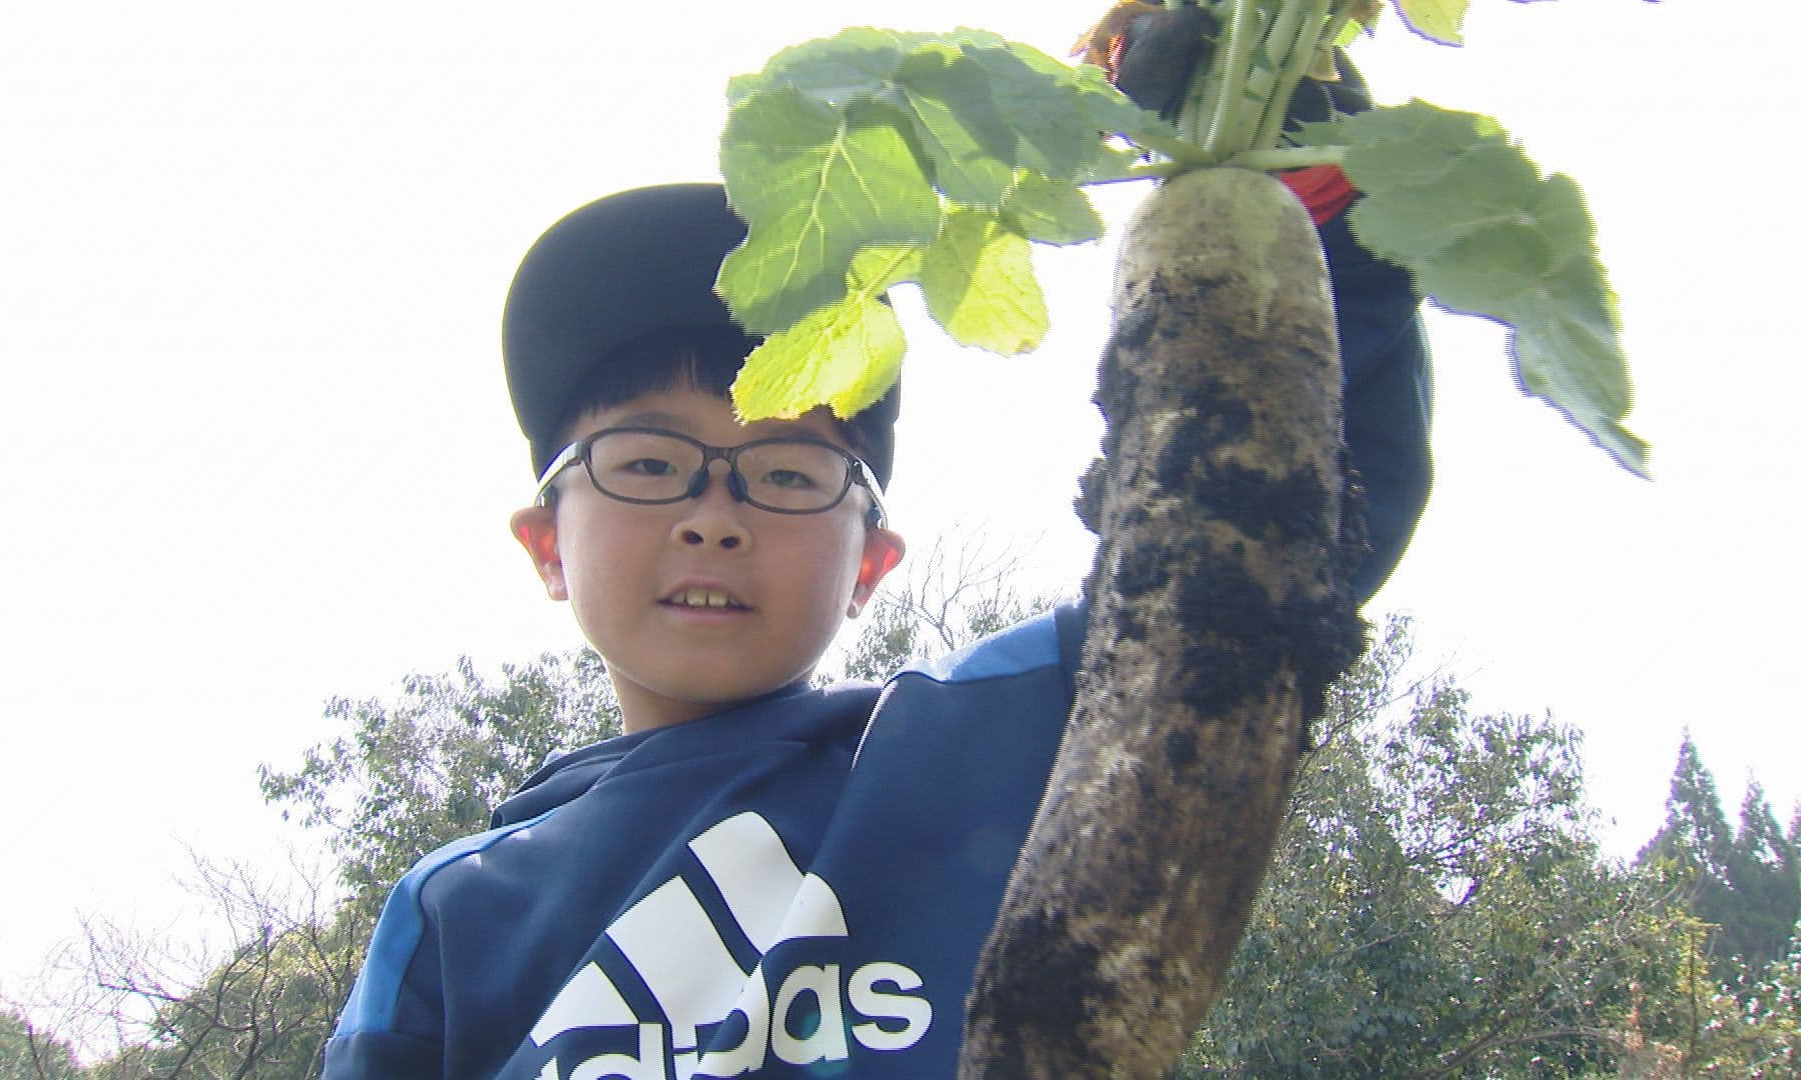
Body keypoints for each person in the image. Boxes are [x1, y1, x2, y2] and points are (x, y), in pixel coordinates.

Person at [321, 175, 1431, 1078]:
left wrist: (1314, 214)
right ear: (547, 544)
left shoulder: (977, 746)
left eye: (788, 472)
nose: (716, 517)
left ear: (872, 565)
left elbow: (1255, 556)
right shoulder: (457, 911)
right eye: (649, 464)